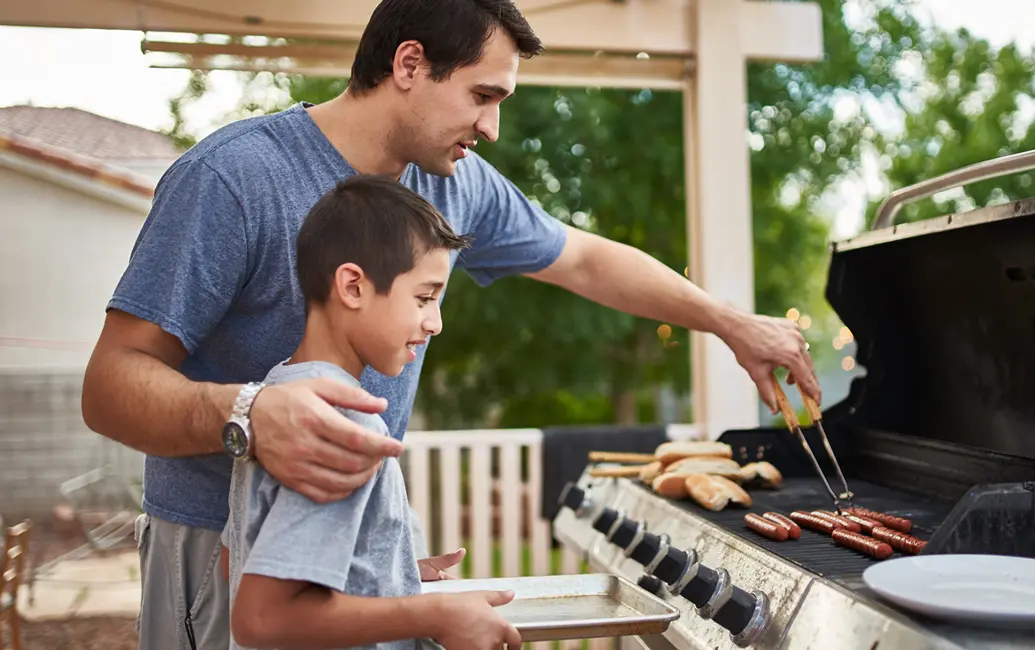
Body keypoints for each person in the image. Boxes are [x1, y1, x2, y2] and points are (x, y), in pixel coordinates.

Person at [80, 0, 821, 648]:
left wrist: (731, 324)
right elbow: (110, 386)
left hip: (341, 563)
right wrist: (250, 414)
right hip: (219, 552)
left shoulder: (451, 184)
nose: (492, 127)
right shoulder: (234, 178)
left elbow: (587, 261)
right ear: (410, 64)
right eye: (482, 95)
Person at [224, 174, 519, 650]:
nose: (435, 322)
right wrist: (433, 611)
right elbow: (261, 617)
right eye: (424, 297)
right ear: (354, 286)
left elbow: (235, 560)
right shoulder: (341, 421)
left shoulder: (278, 394)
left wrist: (389, 572)